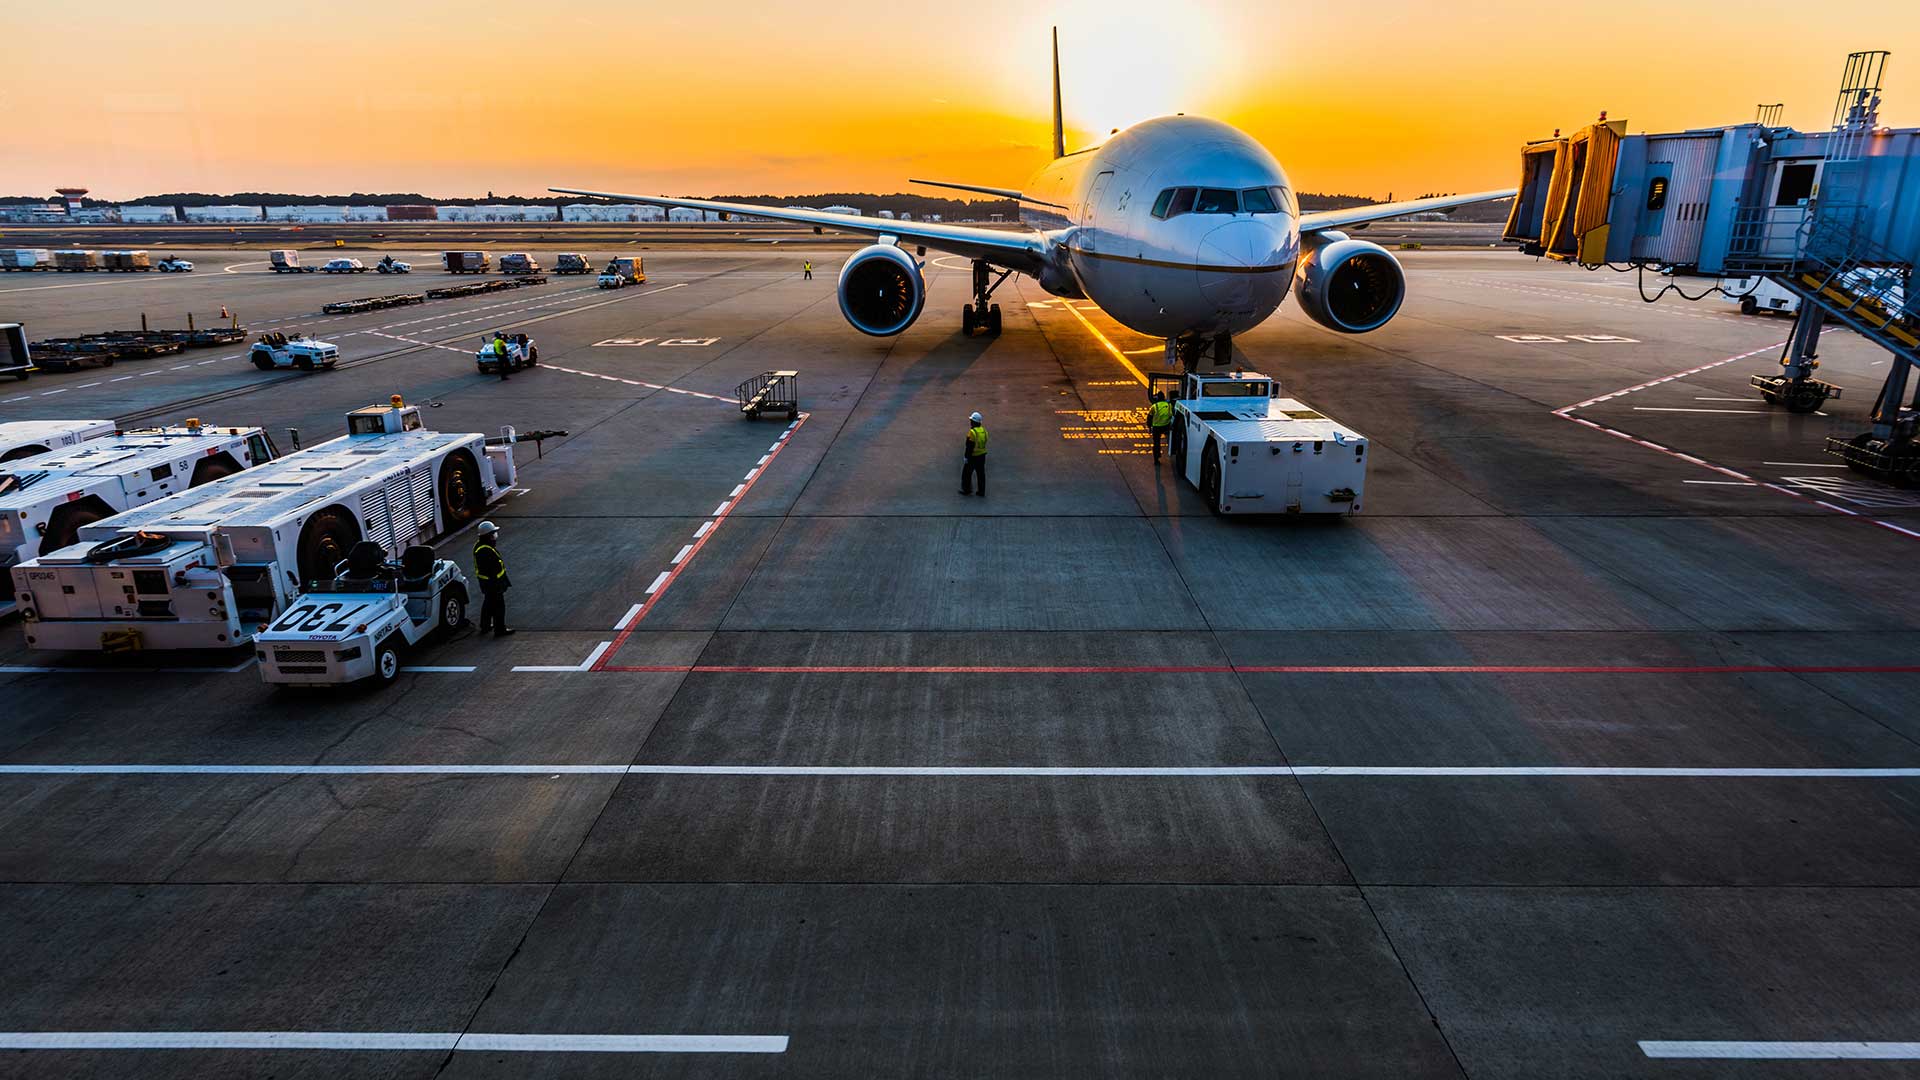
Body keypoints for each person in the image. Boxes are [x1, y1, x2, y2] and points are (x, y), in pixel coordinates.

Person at [473, 521, 513, 637]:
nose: (495, 538)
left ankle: (485, 625)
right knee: (499, 606)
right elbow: (492, 570)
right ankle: (500, 629)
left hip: (487, 583)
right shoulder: (485, 551)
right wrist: (498, 584)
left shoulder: (480, 546)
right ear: (487, 536)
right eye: (493, 535)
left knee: (488, 604)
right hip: (492, 584)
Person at [959, 411, 988, 497]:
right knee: (981, 474)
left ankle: (966, 490)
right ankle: (981, 491)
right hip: (982, 456)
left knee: (966, 474)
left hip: (973, 457)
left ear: (974, 422)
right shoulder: (984, 431)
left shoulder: (972, 432)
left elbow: (969, 446)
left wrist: (966, 457)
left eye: (971, 421)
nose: (970, 422)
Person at [1147, 391, 1173, 462]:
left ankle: (1156, 458)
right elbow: (1171, 415)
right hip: (1166, 426)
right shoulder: (1169, 405)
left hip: (1156, 427)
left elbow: (1149, 418)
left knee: (1156, 443)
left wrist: (1149, 427)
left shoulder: (1154, 406)